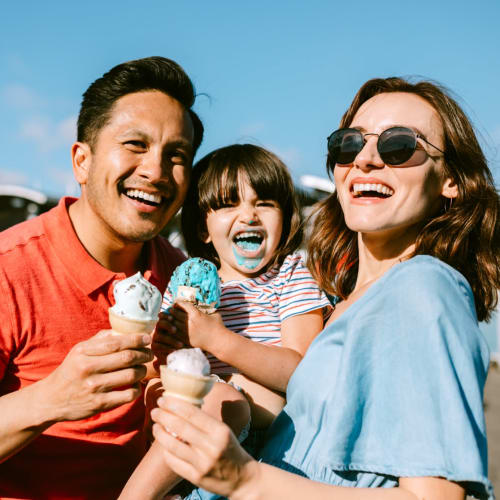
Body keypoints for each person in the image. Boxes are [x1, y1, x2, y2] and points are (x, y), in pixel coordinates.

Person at [150, 77, 500, 500]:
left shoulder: (423, 286)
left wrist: (248, 481)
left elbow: (437, 497)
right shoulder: (341, 304)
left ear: (452, 180)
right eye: (349, 145)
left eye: (399, 146)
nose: (366, 159)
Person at [0, 56, 203, 499]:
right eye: (135, 144)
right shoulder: (9, 270)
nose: (155, 170)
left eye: (177, 155)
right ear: (82, 161)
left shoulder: (182, 278)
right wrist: (52, 398)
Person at [120, 144, 332, 498]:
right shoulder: (184, 284)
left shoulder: (292, 276)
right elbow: (156, 375)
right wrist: (163, 351)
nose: (248, 215)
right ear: (203, 228)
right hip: (185, 456)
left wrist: (216, 339)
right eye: (228, 203)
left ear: (286, 217)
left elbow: (301, 373)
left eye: (264, 202)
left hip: (263, 453)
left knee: (219, 397)